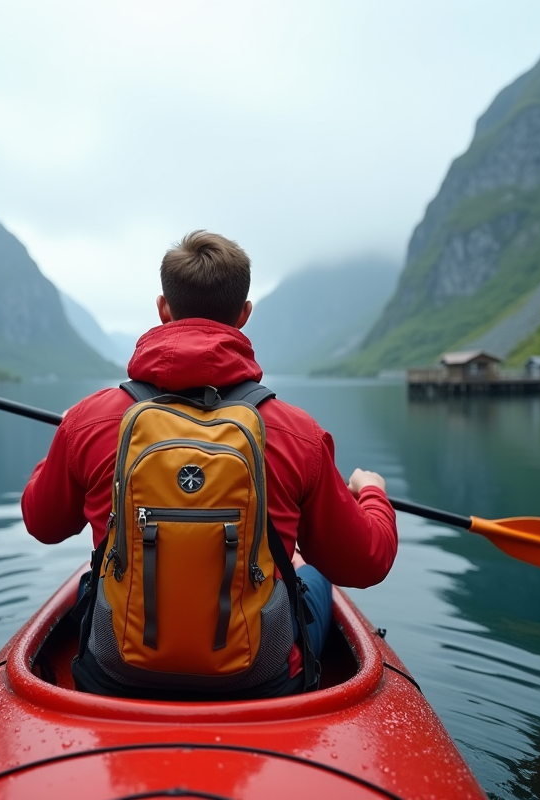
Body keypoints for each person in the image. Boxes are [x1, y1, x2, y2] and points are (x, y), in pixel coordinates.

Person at [21, 230, 398, 697]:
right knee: (316, 573)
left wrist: (66, 437)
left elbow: (42, 523)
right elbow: (366, 563)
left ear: (164, 309)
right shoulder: (300, 434)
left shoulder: (89, 421)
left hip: (116, 672)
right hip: (259, 679)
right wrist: (372, 492)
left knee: (92, 580)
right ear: (243, 316)